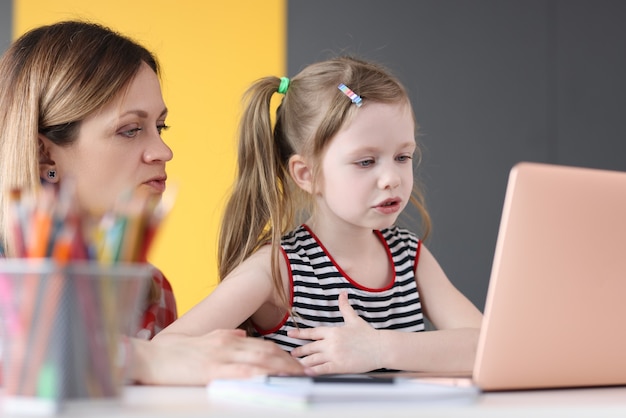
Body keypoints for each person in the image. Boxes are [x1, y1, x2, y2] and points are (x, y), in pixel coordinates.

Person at [0, 20, 304, 384]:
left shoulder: (150, 292)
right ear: (44, 154)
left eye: (160, 127)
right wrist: (144, 359)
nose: (164, 151)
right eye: (130, 129)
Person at [155, 56, 484, 375]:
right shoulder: (277, 268)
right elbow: (165, 349)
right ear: (306, 174)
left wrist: (380, 348)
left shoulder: (409, 257)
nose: (392, 178)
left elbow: (487, 346)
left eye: (402, 156)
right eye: (366, 161)